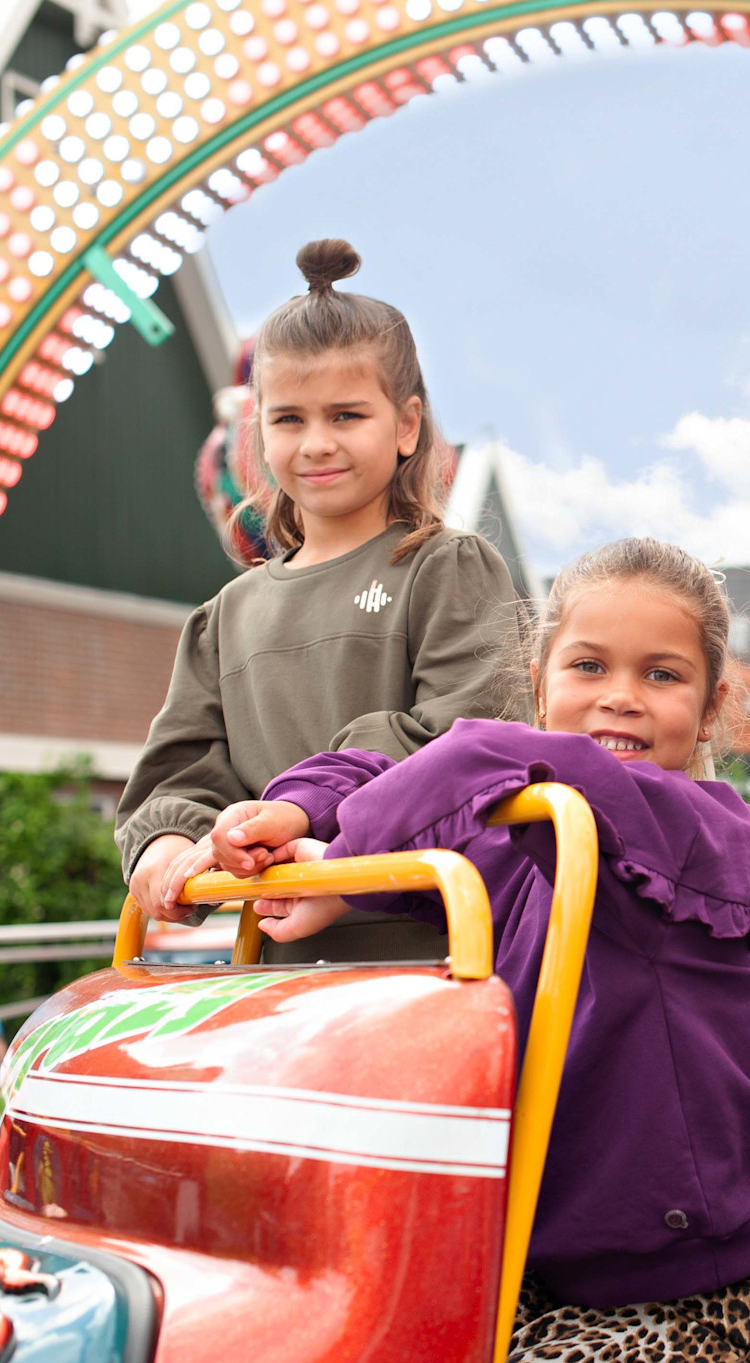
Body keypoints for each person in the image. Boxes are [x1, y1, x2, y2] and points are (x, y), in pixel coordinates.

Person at [202, 537, 750, 1362]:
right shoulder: (530, 835)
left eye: (661, 674)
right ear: (540, 685)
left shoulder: (704, 834)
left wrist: (345, 861)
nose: (621, 698)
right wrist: (294, 815)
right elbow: (379, 771)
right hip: (551, 1269)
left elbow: (483, 756)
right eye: (589, 666)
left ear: (711, 709)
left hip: (711, 1290)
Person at [115, 238, 521, 955]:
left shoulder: (445, 568)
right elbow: (180, 768)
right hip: (277, 967)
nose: (316, 444)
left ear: (406, 425)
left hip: (437, 949)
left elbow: (471, 743)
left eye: (346, 415)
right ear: (259, 431)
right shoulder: (226, 616)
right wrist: (166, 845)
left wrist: (304, 813)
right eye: (289, 419)